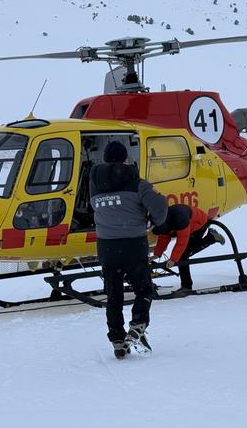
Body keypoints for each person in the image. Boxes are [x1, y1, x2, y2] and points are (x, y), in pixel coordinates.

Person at [90, 141, 167, 359]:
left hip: (107, 247)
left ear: (105, 159)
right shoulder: (137, 182)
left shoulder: (95, 183)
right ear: (126, 159)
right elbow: (160, 206)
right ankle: (138, 325)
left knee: (114, 295)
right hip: (133, 244)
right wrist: (154, 223)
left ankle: (117, 339)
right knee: (143, 289)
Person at [151, 204, 226, 295]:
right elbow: (163, 238)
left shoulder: (180, 219)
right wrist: (157, 254)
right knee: (182, 255)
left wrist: (173, 259)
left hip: (199, 225)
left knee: (183, 256)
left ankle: (211, 238)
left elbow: (182, 242)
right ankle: (212, 237)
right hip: (189, 225)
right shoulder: (163, 221)